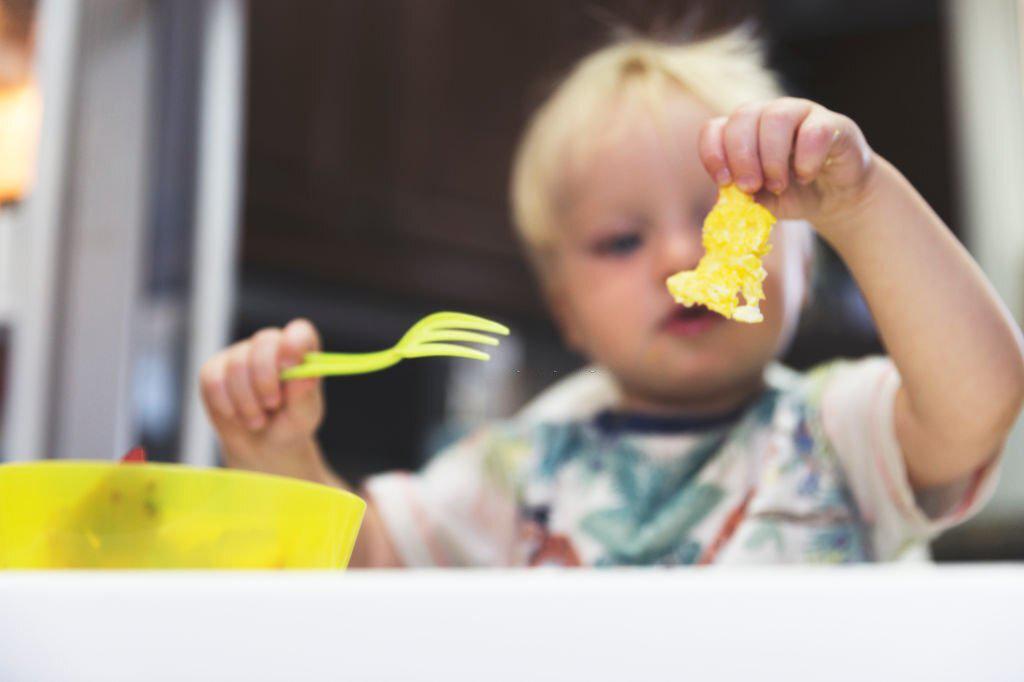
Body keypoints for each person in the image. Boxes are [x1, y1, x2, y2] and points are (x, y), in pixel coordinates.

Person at [199, 30, 1024, 566]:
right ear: (565, 308)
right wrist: (281, 455)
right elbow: (372, 562)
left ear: (805, 265)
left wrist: (864, 203)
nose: (677, 255)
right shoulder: (520, 464)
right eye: (621, 241)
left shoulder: (838, 429)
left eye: (721, 216)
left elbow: (981, 397)